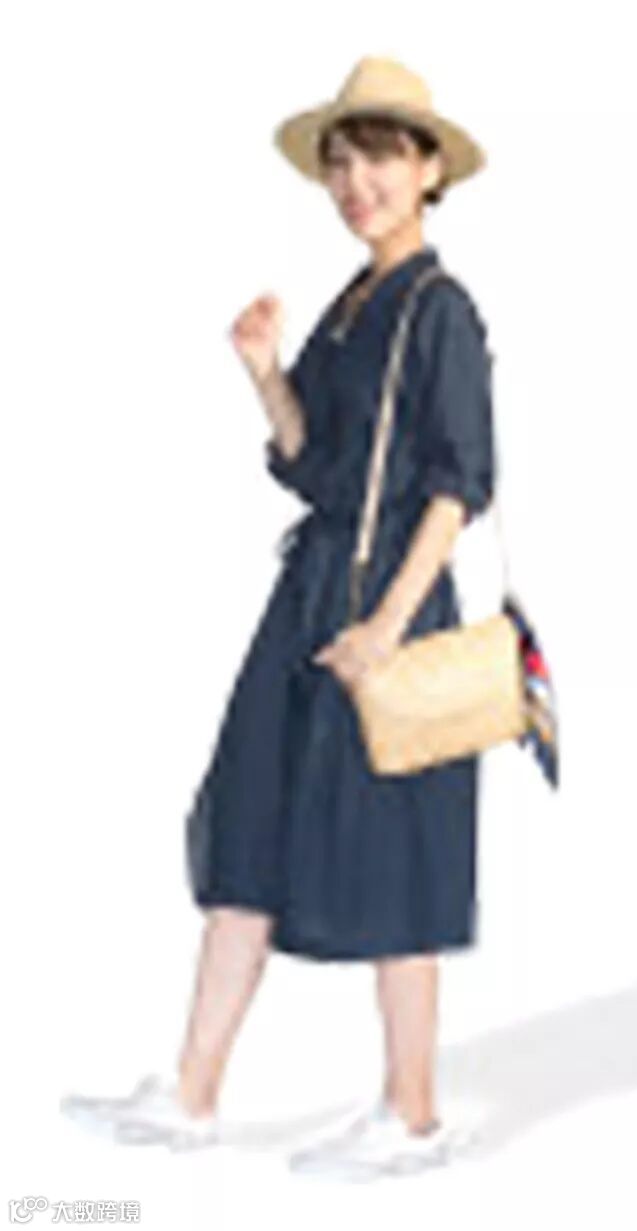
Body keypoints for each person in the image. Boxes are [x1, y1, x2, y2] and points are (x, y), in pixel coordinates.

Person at [60, 56, 495, 1181]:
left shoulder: (441, 311)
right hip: (309, 594)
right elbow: (313, 463)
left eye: (379, 157)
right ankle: (193, 1095)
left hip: (388, 605)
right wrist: (262, 373)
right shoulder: (353, 307)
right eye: (339, 164)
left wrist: (387, 627)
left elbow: (458, 486)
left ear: (429, 168)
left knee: (396, 845)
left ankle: (412, 1116)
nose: (356, 183)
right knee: (249, 814)